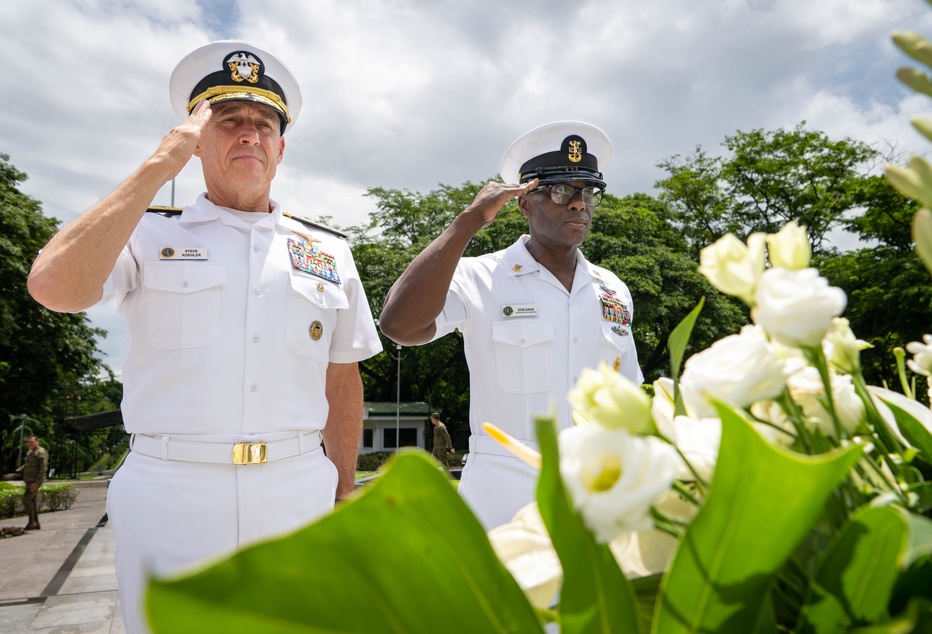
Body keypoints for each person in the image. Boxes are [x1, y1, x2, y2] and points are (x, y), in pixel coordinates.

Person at [26, 41, 382, 633]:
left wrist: (344, 492)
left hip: (298, 489)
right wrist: (155, 169)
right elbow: (53, 289)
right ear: (194, 142)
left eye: (263, 124)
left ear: (280, 147)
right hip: (172, 492)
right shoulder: (142, 233)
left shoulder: (328, 252)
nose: (249, 134)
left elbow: (342, 378)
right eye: (228, 121)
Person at [378, 121, 643, 530]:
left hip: (597, 489)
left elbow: (630, 397)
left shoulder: (613, 290)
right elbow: (400, 325)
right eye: (561, 191)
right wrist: (466, 223)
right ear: (524, 204)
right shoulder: (479, 277)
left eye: (587, 192)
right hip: (504, 496)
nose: (578, 204)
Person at [17, 436, 48, 531]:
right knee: (32, 502)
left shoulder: (40, 453)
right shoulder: (30, 452)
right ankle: (36, 523)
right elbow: (28, 464)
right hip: (29, 480)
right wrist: (19, 470)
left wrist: (37, 483)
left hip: (34, 481)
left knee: (26, 500)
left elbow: (43, 469)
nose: (29, 444)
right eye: (28, 442)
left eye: (31, 442)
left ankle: (31, 522)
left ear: (37, 442)